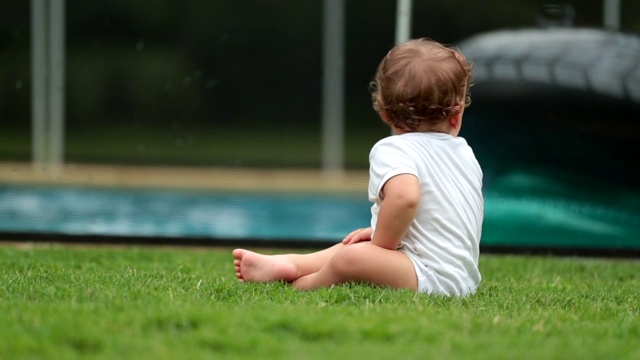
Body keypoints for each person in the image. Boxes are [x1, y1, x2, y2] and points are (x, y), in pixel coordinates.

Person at [233, 38, 483, 297]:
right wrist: (378, 234)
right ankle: (290, 263)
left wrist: (381, 245)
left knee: (354, 256)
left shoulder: (394, 149)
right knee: (354, 244)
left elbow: (405, 198)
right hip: (461, 277)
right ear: (456, 115)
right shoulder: (464, 153)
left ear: (384, 112)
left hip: (430, 278)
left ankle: (302, 285)